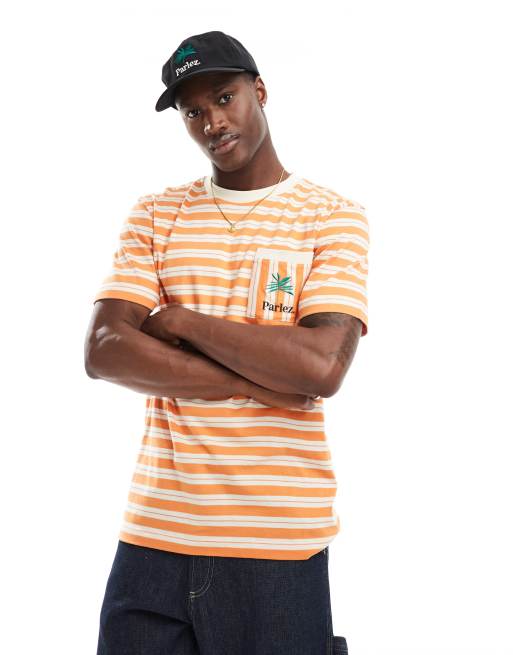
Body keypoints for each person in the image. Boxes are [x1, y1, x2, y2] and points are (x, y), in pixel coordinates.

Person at [85, 29, 368, 655]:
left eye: (224, 98)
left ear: (259, 91)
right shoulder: (157, 214)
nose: (212, 122)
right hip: (154, 536)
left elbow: (321, 367)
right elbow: (104, 349)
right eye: (193, 112)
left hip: (276, 545)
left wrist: (182, 323)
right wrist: (256, 382)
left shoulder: (330, 216)